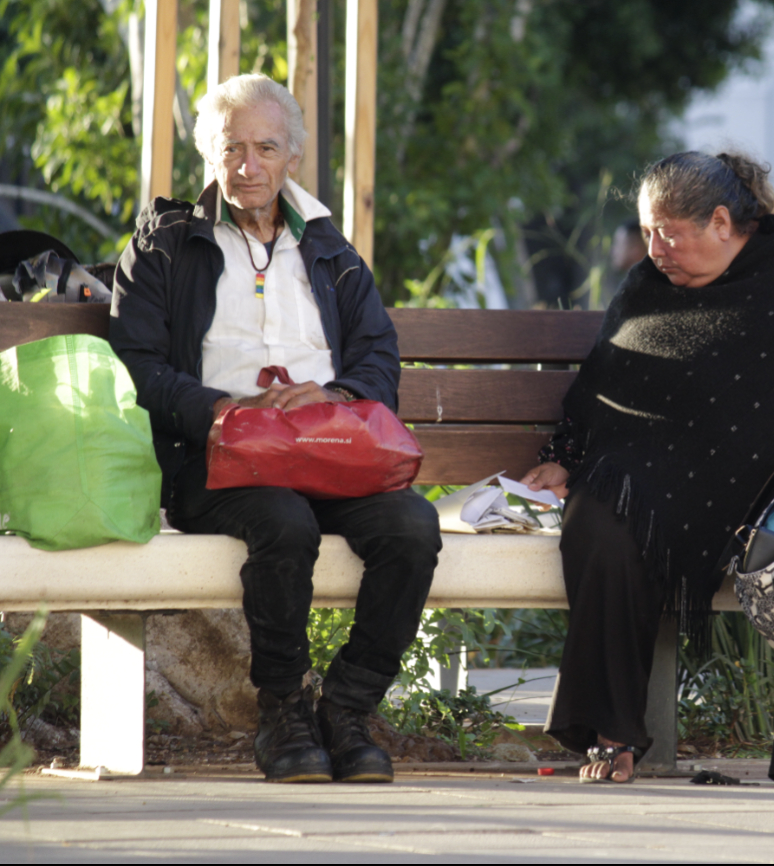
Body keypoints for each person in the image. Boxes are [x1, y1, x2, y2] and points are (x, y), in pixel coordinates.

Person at [522, 151, 774, 787]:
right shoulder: (645, 287)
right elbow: (600, 397)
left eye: (670, 233)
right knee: (598, 526)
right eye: (648, 231)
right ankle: (612, 730)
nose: (655, 248)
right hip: (655, 485)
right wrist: (562, 462)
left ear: (721, 222)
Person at [109, 74, 441, 784]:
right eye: (231, 148)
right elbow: (135, 364)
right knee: (283, 523)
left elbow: (378, 353)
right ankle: (284, 708)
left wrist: (338, 393)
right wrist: (220, 412)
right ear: (209, 154)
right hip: (216, 461)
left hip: (325, 452)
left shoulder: (328, 247)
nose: (247, 165)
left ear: (291, 155)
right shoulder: (165, 241)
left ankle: (347, 709)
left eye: (265, 147)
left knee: (411, 527)